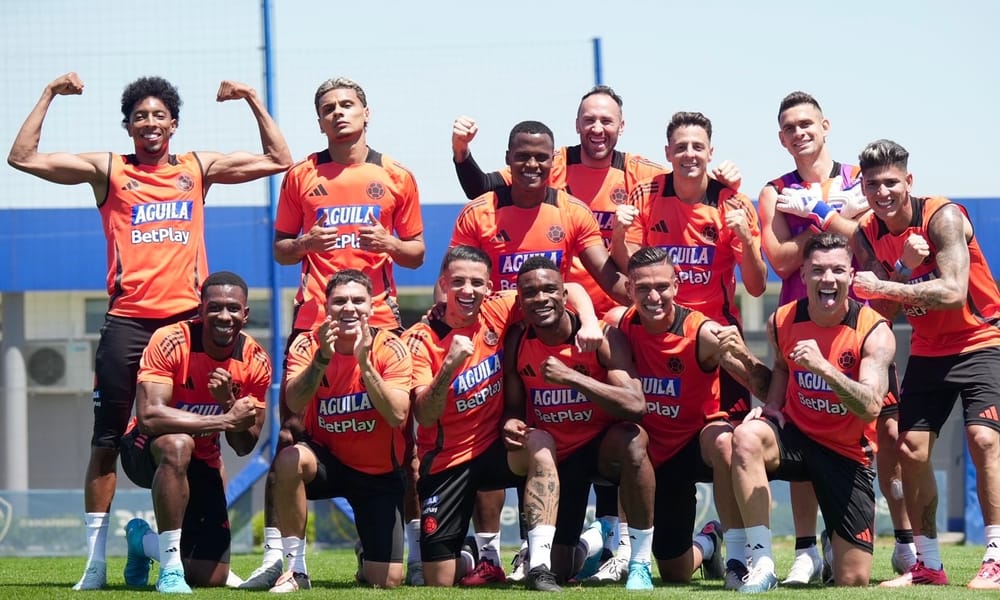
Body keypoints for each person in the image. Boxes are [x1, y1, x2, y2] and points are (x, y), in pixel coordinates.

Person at [6, 72, 291, 590]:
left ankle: (185, 550)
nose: (150, 123)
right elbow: (22, 157)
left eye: (160, 115)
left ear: (174, 124)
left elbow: (278, 159)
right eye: (141, 116)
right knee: (107, 441)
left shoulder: (196, 168)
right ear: (128, 126)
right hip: (129, 323)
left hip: (187, 323)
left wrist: (250, 97)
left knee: (206, 437)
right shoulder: (109, 171)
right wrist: (48, 94)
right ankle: (94, 564)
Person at [243, 76, 426, 588]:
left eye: (348, 105)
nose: (339, 113)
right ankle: (278, 559)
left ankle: (403, 549)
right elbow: (280, 249)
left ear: (366, 113)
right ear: (319, 120)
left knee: (400, 439)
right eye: (329, 108)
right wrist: (304, 243)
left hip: (380, 323)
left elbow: (417, 254)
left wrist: (388, 242)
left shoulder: (396, 175)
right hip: (314, 324)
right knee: (289, 435)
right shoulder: (301, 175)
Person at [758, 92, 913, 584]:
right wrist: (824, 221)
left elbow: (869, 253)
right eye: (789, 127)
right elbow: (782, 259)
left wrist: (821, 209)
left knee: (887, 432)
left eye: (807, 123)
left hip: (859, 325)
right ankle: (806, 548)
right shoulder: (773, 190)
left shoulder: (862, 179)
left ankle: (906, 540)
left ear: (825, 125)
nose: (800, 132)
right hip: (800, 323)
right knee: (804, 427)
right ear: (781, 138)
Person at [852, 140, 1000, 589]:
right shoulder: (865, 233)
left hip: (982, 339)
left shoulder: (944, 217)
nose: (882, 192)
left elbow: (954, 292)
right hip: (930, 350)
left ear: (909, 182)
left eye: (891, 182)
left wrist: (889, 283)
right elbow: (886, 310)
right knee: (909, 452)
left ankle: (996, 556)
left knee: (983, 439)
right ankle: (927, 565)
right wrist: (899, 269)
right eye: (873, 183)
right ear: (863, 185)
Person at [731, 232, 895, 593]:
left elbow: (870, 405)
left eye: (838, 270)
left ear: (851, 276)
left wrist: (826, 369)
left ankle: (832, 543)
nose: (828, 279)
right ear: (802, 275)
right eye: (818, 270)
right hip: (797, 438)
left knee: (853, 580)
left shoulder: (874, 330)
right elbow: (783, 367)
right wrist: (771, 406)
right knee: (744, 437)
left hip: (847, 453)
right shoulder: (782, 320)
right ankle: (761, 563)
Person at [401, 246, 563, 589]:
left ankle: (539, 566)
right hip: (447, 463)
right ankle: (475, 556)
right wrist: (448, 369)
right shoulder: (419, 339)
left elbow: (567, 288)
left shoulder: (499, 309)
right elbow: (425, 416)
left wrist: (591, 320)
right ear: (443, 284)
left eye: (477, 282)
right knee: (438, 581)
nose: (468, 290)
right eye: (458, 281)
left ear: (490, 287)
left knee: (540, 443)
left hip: (495, 448)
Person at [611, 246, 770, 588]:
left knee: (726, 440)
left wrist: (744, 354)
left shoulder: (704, 333)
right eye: (643, 289)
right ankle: (709, 543)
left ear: (677, 285)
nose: (654, 296)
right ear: (629, 291)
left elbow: (765, 387)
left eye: (662, 287)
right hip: (655, 456)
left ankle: (738, 560)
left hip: (697, 444)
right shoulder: (618, 325)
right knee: (675, 573)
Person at [504, 256, 655, 590]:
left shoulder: (601, 336)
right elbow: (514, 406)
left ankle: (640, 561)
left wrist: (572, 377)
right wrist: (511, 423)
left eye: (549, 290)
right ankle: (596, 538)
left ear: (564, 295)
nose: (540, 298)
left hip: (601, 449)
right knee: (561, 570)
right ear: (519, 301)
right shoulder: (517, 340)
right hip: (557, 460)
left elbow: (636, 404)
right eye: (530, 293)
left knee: (633, 439)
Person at [118, 271, 272, 593]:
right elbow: (148, 416)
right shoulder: (171, 340)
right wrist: (224, 420)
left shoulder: (256, 360)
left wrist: (228, 402)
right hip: (145, 449)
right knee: (178, 443)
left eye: (233, 308)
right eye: (214, 307)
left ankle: (142, 543)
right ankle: (170, 569)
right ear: (200, 311)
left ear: (246, 314)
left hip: (203, 459)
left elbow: (244, 445)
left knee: (210, 577)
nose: (224, 316)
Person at [612, 111, 766, 424]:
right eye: (681, 147)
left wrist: (747, 241)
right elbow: (630, 266)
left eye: (698, 146)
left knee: (734, 430)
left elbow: (756, 287)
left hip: (715, 329)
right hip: (661, 330)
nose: (689, 154)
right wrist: (616, 234)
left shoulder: (732, 203)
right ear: (667, 152)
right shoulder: (647, 193)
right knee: (653, 427)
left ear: (711, 152)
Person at [269, 270, 412, 591]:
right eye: (340, 301)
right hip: (328, 462)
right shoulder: (308, 343)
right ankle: (295, 569)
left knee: (387, 582)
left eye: (358, 300)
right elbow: (293, 401)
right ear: (326, 307)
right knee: (290, 457)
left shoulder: (391, 346)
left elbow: (397, 414)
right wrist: (322, 358)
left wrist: (365, 363)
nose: (349, 308)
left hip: (378, 475)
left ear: (372, 307)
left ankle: (367, 555)